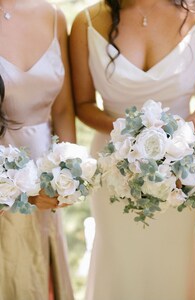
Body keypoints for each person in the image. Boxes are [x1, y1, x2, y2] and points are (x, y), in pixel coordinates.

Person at [70, 0, 195, 299]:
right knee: (119, 260)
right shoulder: (86, 22)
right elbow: (83, 105)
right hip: (113, 164)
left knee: (171, 261)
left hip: (179, 168)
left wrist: (175, 134)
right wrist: (129, 133)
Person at [0, 0, 76, 299]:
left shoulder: (53, 16)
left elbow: (63, 108)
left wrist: (69, 170)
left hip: (44, 184)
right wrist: (19, 189)